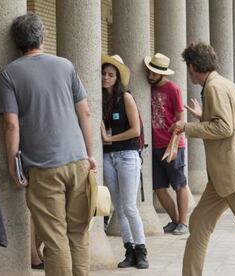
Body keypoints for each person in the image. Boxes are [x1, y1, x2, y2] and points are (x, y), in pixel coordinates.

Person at [0, 13, 97, 276]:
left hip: (43, 168)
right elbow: (84, 112)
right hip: (77, 160)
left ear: (16, 43)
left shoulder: (9, 73)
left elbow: (11, 124)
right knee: (78, 233)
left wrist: (12, 165)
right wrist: (90, 154)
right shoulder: (66, 65)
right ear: (43, 37)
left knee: (54, 239)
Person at [170, 41, 235, 276]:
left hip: (233, 174)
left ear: (192, 66)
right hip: (223, 175)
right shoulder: (224, 84)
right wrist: (204, 116)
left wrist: (188, 127)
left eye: (187, 67)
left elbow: (225, 128)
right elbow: (226, 121)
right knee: (198, 224)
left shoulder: (214, 88)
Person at [101, 54, 149, 269]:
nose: (106, 77)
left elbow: (135, 130)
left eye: (111, 74)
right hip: (107, 157)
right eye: (103, 73)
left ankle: (142, 251)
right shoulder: (99, 98)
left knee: (129, 206)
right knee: (118, 207)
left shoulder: (126, 97)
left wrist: (109, 138)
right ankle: (128, 250)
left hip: (127, 155)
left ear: (117, 77)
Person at [144, 53, 189, 235]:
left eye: (154, 73)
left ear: (163, 74)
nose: (150, 76)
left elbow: (180, 119)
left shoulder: (173, 89)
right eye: (149, 72)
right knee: (159, 187)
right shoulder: (148, 87)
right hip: (153, 145)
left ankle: (183, 224)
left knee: (179, 184)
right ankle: (174, 220)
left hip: (172, 145)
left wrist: (174, 144)